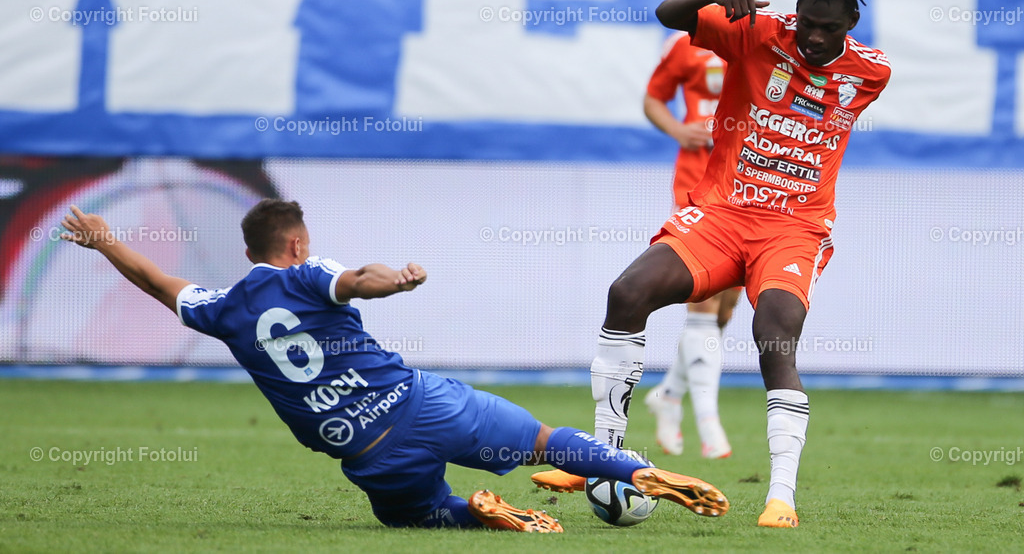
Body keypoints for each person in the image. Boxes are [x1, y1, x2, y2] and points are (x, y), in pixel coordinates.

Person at [59, 199, 729, 532]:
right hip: (421, 404)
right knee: (544, 442)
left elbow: (155, 280)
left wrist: (105, 239)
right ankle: (635, 470)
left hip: (370, 455)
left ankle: (478, 513)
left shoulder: (224, 307)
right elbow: (355, 279)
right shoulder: (306, 273)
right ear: (295, 243)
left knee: (412, 516)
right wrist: (397, 283)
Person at [533, 0, 889, 528]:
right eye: (808, 24)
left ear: (852, 21)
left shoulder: (872, 72)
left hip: (794, 229)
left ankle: (781, 498)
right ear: (795, 14)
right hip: (721, 216)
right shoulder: (756, 35)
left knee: (773, 334)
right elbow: (667, 13)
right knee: (627, 292)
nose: (817, 38)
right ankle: (600, 458)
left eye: (832, 28)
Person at [641, 0, 767, 459]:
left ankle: (668, 395)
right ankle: (710, 426)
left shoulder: (773, 39)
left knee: (724, 308)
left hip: (751, 187)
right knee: (703, 302)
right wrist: (678, 128)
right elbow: (653, 96)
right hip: (698, 183)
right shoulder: (692, 42)